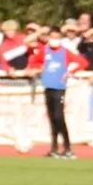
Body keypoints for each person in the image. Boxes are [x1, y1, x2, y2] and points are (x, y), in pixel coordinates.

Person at [28, 27, 88, 158]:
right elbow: (35, 62)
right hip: (48, 86)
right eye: (52, 37)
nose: (54, 40)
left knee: (59, 117)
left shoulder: (64, 52)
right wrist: (36, 68)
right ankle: (54, 148)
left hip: (59, 87)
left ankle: (68, 148)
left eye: (57, 38)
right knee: (52, 118)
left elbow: (83, 63)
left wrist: (70, 72)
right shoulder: (45, 51)